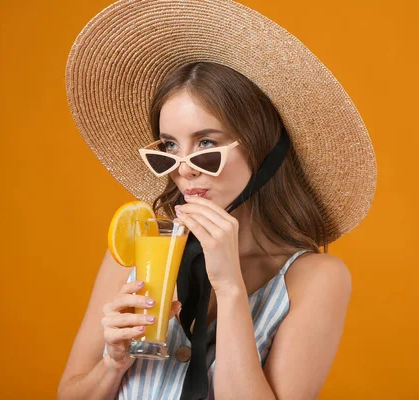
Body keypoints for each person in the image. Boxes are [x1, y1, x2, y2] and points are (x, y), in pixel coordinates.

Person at [58, 1, 377, 399]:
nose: (184, 168)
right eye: (170, 146)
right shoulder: (139, 249)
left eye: (206, 143)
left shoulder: (314, 279)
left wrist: (229, 288)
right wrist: (112, 363)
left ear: (262, 150)